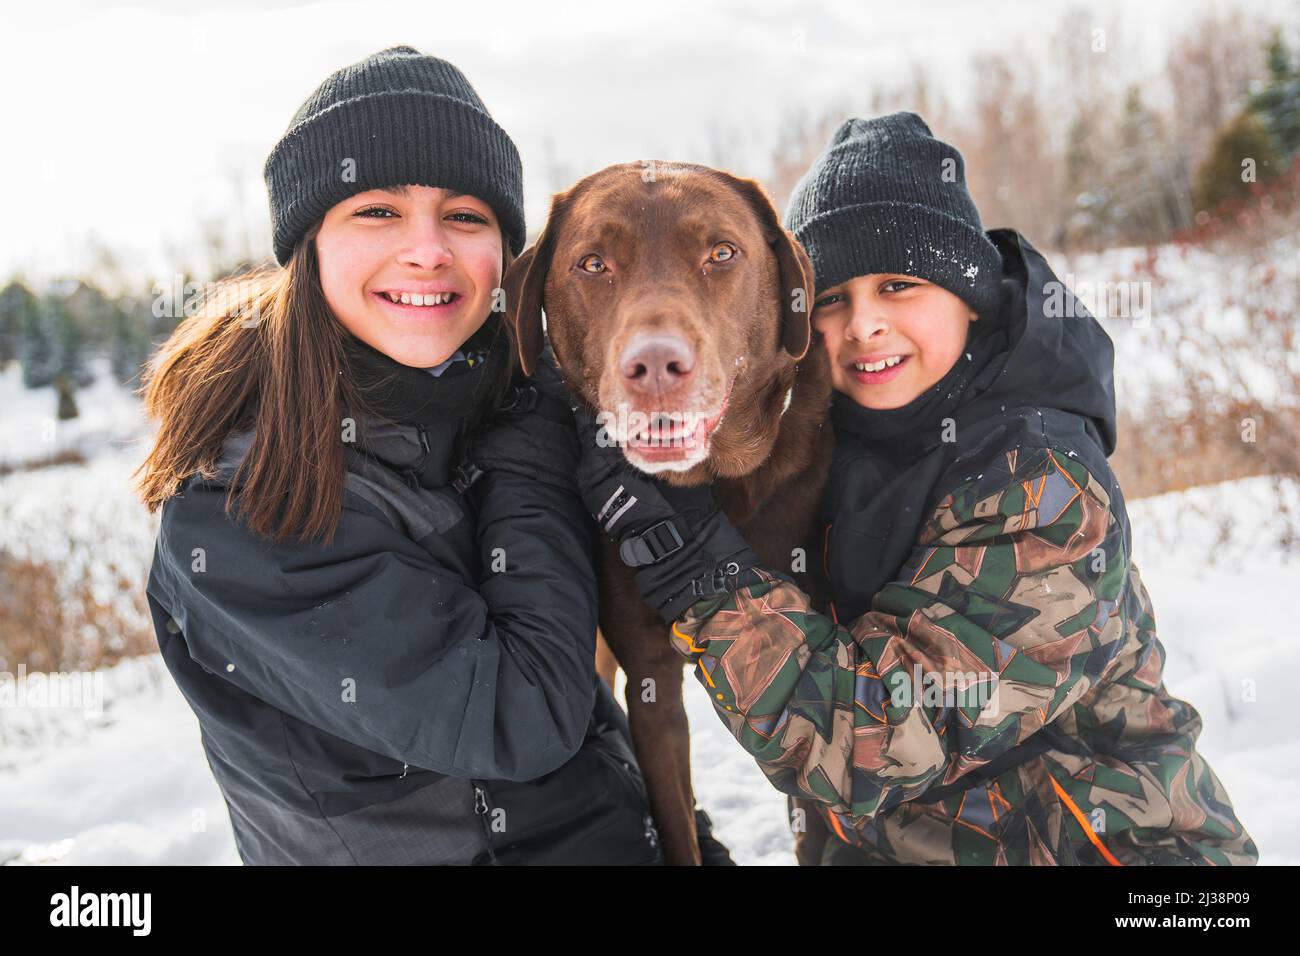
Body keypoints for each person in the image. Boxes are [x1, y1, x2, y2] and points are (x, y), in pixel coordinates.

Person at [570, 112, 1258, 866]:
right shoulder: (838, 434)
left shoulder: (1043, 484)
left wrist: (695, 567)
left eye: (899, 286)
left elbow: (873, 745)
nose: (864, 324)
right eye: (833, 298)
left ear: (969, 296)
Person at [134, 46, 670, 865]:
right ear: (309, 245)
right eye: (377, 211)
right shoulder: (239, 504)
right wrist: (529, 441)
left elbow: (598, 702)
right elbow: (523, 712)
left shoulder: (487, 403)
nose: (428, 250)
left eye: (464, 215)